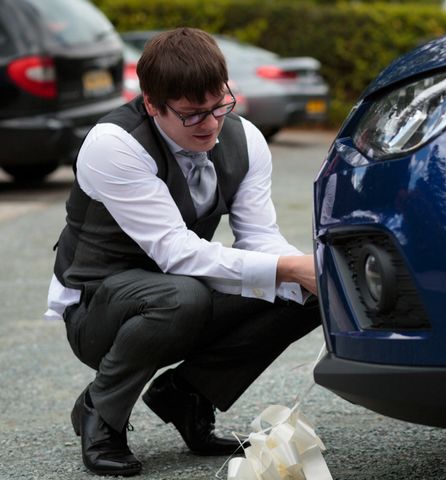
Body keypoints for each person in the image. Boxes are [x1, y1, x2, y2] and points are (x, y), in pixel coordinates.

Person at [45, 27, 321, 477]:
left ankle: (187, 394)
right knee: (182, 296)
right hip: (97, 309)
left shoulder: (245, 139)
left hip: (179, 292)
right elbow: (175, 252)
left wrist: (302, 271)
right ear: (153, 104)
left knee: (307, 290)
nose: (212, 125)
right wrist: (288, 266)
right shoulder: (114, 143)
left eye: (219, 107)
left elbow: (260, 239)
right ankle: (102, 411)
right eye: (193, 115)